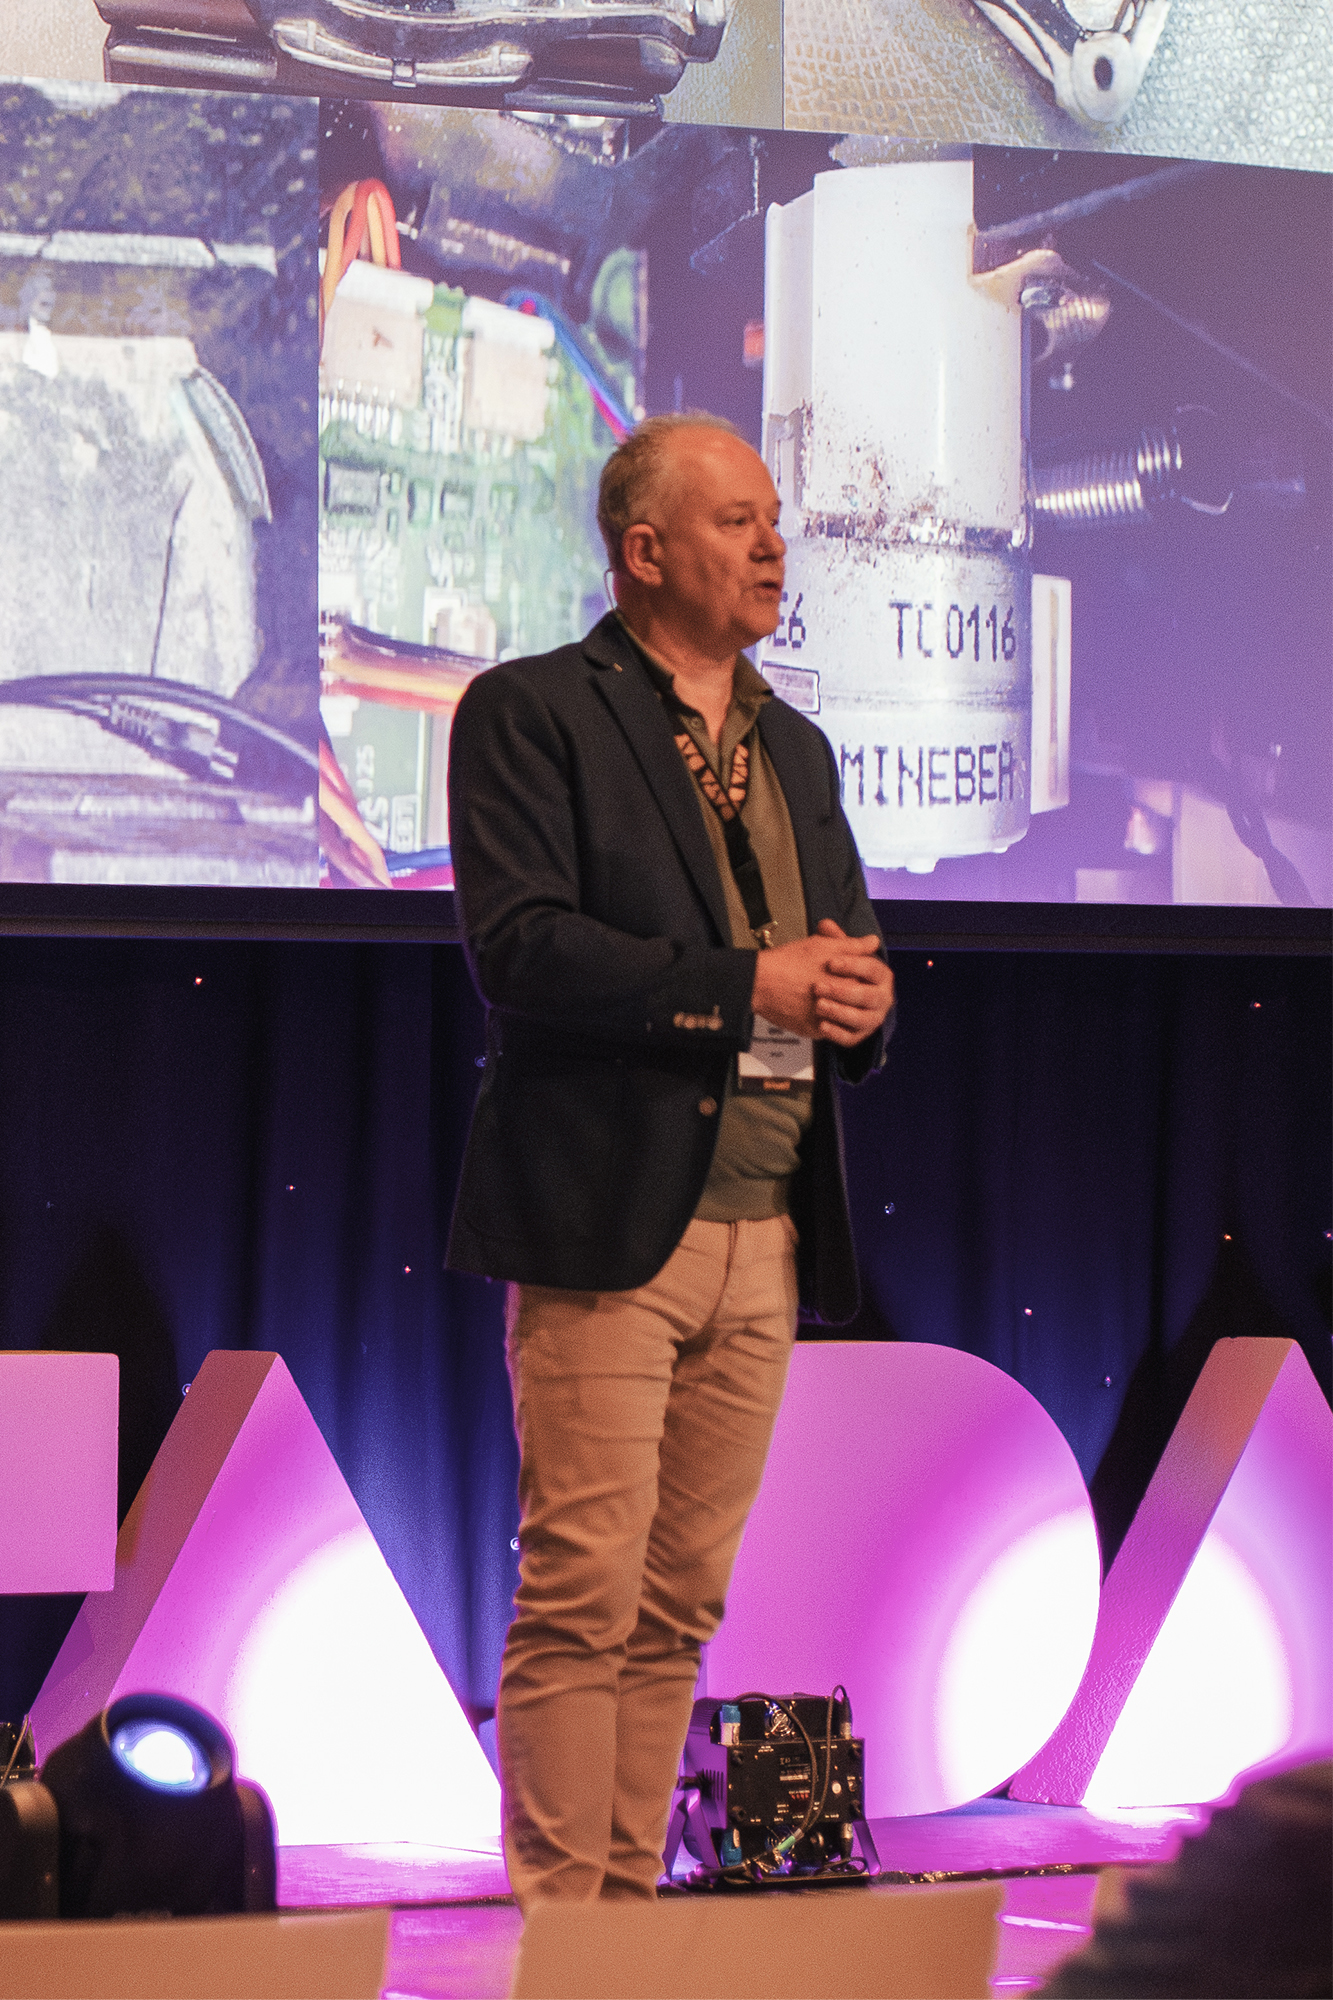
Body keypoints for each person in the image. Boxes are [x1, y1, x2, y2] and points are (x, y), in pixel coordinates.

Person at [445, 411, 895, 1912]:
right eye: (735, 522)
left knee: (678, 1606)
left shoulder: (796, 743)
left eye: (774, 520)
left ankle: (623, 1932)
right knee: (581, 1595)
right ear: (643, 552)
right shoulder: (532, 712)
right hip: (608, 1221)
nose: (773, 546)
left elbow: (837, 941)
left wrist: (858, 998)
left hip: (766, 1227)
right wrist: (750, 986)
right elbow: (524, 951)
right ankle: (565, 1937)